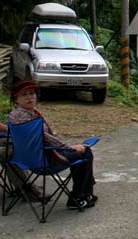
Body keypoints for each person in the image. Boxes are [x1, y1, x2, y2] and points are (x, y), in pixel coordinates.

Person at [9, 80, 98, 209]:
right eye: (24, 95)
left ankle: (86, 193)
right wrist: (69, 147)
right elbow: (45, 137)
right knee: (85, 152)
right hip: (44, 161)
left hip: (27, 160)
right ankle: (78, 197)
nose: (29, 97)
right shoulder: (26, 118)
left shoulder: (14, 116)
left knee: (82, 150)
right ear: (16, 99)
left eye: (32, 93)